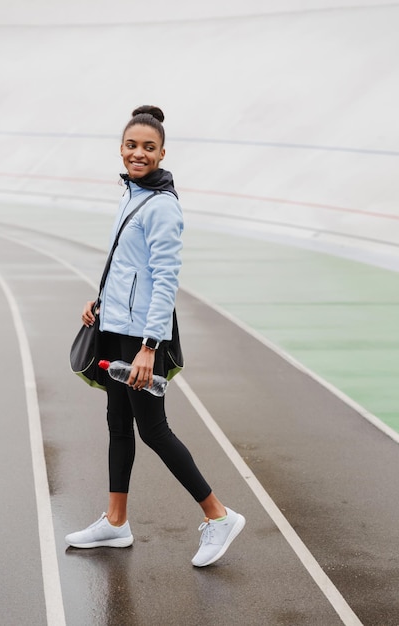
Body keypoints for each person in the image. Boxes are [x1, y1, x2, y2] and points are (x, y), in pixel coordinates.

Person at [65, 105, 245, 567]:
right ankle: (116, 522)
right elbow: (128, 266)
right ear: (120, 149)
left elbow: (165, 279)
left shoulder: (162, 205)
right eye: (131, 145)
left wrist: (149, 347)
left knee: (154, 430)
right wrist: (99, 300)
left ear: (163, 153)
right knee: (118, 425)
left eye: (148, 147)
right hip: (117, 325)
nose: (138, 153)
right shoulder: (131, 193)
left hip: (142, 337)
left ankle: (218, 515)